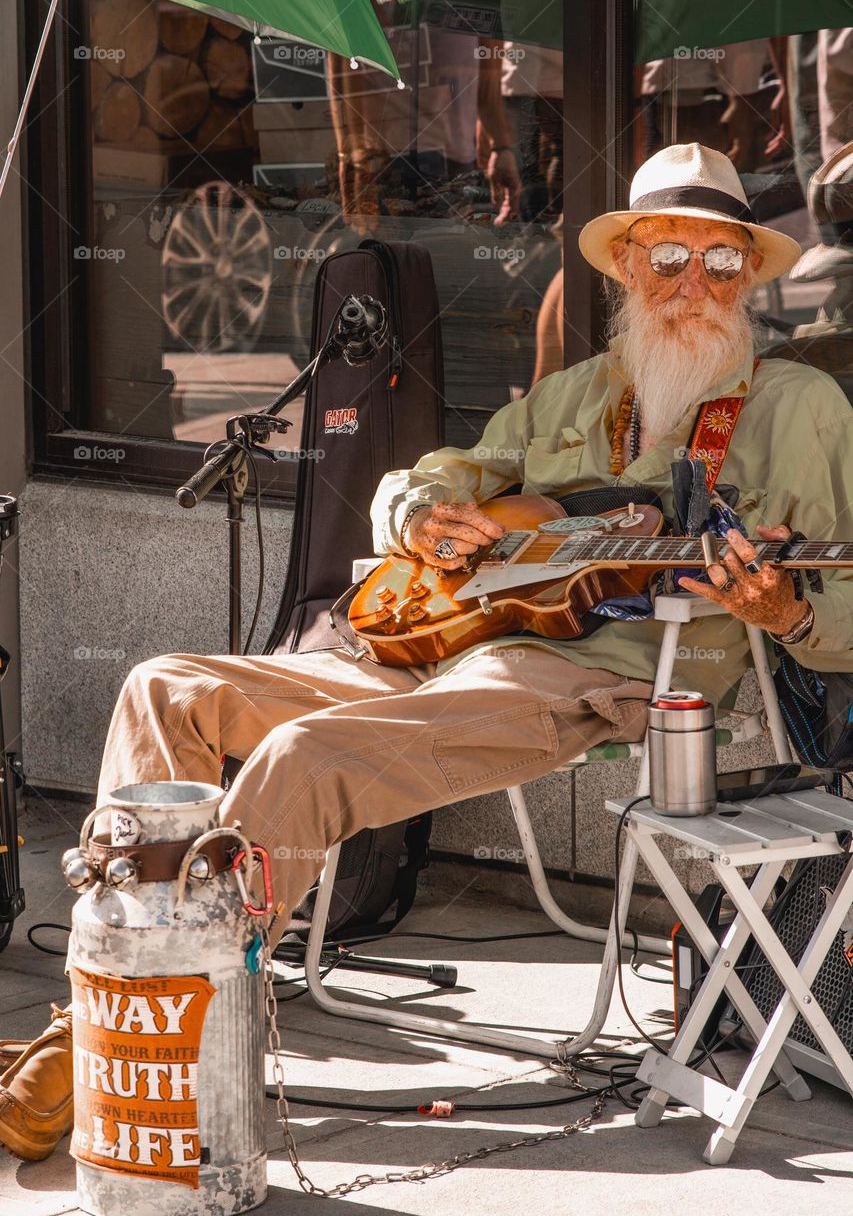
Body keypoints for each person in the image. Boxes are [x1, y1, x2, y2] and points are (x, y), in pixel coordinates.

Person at [4, 143, 853, 1162]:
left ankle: (129, 1033)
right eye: (668, 253)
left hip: (588, 674)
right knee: (166, 686)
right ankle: (119, 1004)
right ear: (625, 265)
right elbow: (449, 464)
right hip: (432, 640)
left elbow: (836, 602)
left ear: (751, 279)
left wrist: (784, 614)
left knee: (304, 754)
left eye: (722, 262)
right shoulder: (579, 390)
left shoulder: (801, 409)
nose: (694, 284)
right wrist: (420, 514)